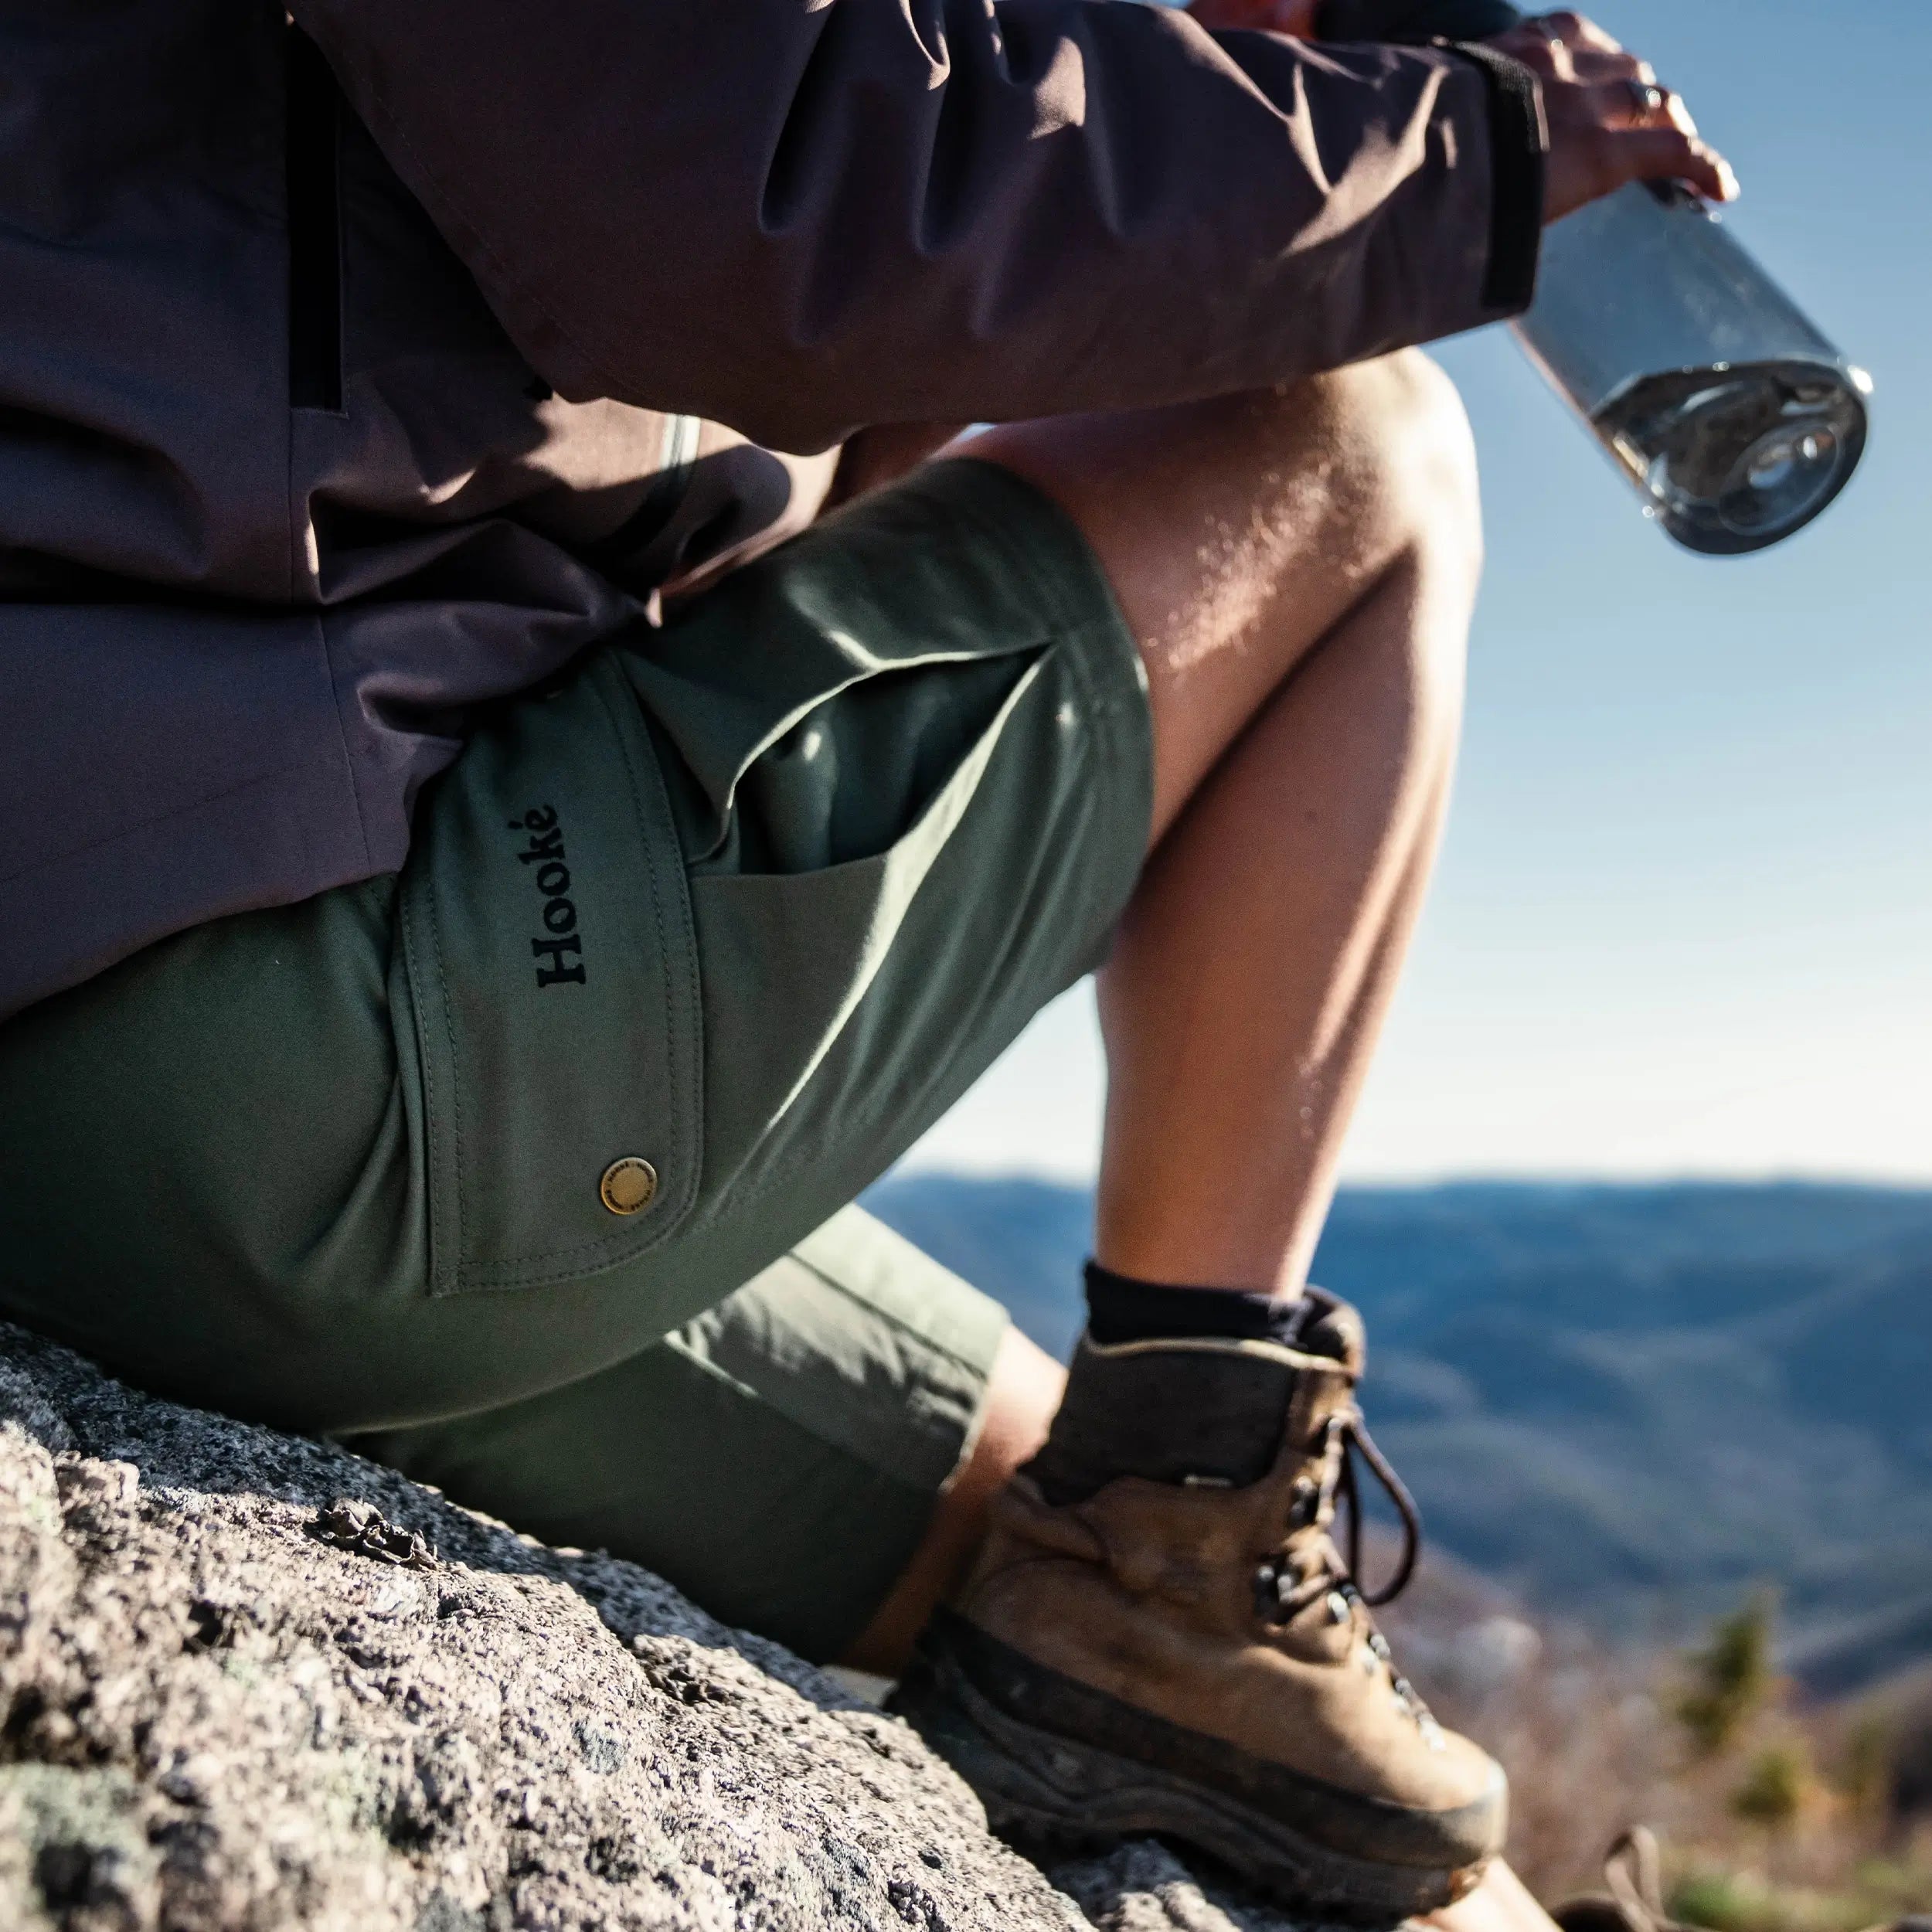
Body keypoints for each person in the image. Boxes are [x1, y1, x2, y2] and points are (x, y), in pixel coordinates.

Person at [0, 0, 1732, 1917]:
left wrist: (1136, 128)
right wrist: (1455, 153)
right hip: (220, 1010)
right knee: (1355, 443)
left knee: (1105, 1589)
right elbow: (747, 207)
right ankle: (1199, 1491)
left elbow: (769, 361)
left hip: (159, 1036)